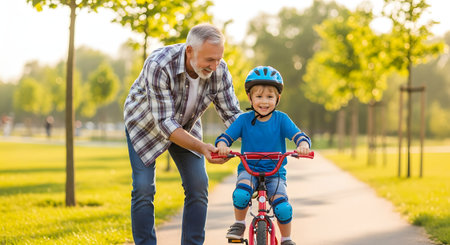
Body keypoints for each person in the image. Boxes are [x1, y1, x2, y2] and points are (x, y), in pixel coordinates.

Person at [123, 23, 242, 245]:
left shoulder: (220, 70)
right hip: (144, 126)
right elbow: (165, 124)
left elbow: (232, 113)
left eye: (218, 59)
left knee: (198, 184)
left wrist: (260, 135)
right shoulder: (159, 64)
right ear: (189, 51)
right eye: (209, 60)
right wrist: (203, 147)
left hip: (185, 126)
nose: (215, 66)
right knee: (143, 188)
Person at [215, 66, 311, 245]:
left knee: (283, 208)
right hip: (249, 170)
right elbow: (225, 137)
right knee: (241, 195)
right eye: (258, 96)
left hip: (275, 173)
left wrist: (303, 145)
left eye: (269, 97)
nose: (264, 101)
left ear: (278, 98)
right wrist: (222, 146)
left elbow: (299, 136)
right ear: (250, 98)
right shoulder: (243, 120)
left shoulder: (281, 119)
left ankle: (286, 239)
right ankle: (239, 224)